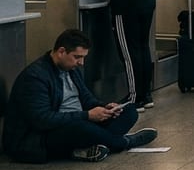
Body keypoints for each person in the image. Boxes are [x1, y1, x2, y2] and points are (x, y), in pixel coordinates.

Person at [2, 29, 157, 163]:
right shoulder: (35, 77)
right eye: (77, 57)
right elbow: (43, 120)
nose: (81, 62)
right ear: (61, 52)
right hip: (40, 137)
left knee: (128, 112)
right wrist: (87, 116)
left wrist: (104, 107)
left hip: (77, 121)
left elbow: (86, 99)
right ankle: (124, 142)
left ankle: (98, 144)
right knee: (82, 128)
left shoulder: (72, 69)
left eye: (83, 57)